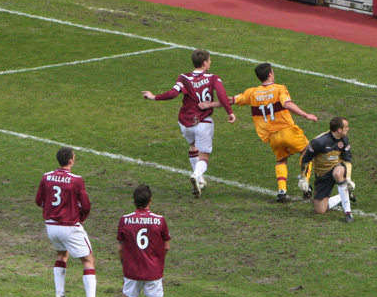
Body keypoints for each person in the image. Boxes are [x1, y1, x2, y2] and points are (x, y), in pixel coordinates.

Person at [141, 49, 235, 198]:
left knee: (193, 145)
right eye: (209, 60)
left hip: (184, 122)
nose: (210, 62)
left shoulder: (183, 77)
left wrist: (153, 97)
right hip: (202, 121)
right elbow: (222, 96)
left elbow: (172, 94)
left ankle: (200, 181)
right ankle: (196, 175)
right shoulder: (213, 78)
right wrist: (230, 112)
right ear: (205, 63)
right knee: (204, 156)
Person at [225, 63, 318, 202]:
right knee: (306, 151)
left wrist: (210, 103)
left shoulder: (252, 92)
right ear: (270, 74)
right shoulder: (280, 88)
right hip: (288, 130)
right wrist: (306, 115)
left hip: (272, 136)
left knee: (281, 160)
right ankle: (305, 180)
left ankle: (282, 190)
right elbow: (287, 104)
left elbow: (231, 100)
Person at [35, 147, 106, 297]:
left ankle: (60, 295)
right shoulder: (76, 180)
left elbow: (39, 201)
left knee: (61, 254)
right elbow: (86, 205)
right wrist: (81, 218)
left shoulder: (46, 177)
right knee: (88, 260)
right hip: (69, 226)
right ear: (70, 161)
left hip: (51, 227)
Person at [117, 184, 172, 297]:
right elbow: (166, 246)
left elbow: (120, 248)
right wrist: (157, 260)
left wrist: (124, 264)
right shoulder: (160, 220)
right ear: (150, 201)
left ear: (134, 202)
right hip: (153, 272)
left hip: (132, 271)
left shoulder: (125, 220)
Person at [300, 116, 355, 221]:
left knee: (337, 173)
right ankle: (345, 193)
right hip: (322, 174)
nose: (348, 129)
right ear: (339, 130)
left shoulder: (344, 139)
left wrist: (348, 178)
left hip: (337, 167)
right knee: (320, 210)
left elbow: (347, 160)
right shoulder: (319, 142)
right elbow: (306, 159)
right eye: (346, 127)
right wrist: (303, 178)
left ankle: (348, 212)